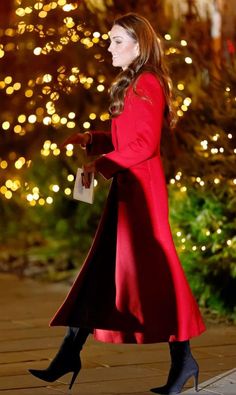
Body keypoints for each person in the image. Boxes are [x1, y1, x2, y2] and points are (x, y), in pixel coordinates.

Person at [29, 13, 206, 394]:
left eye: (117, 41)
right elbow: (130, 136)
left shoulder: (147, 82)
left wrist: (100, 164)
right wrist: (93, 139)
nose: (109, 47)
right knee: (101, 272)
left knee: (157, 274)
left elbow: (145, 145)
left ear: (139, 45)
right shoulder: (136, 82)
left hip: (141, 197)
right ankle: (68, 354)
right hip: (130, 192)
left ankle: (183, 360)